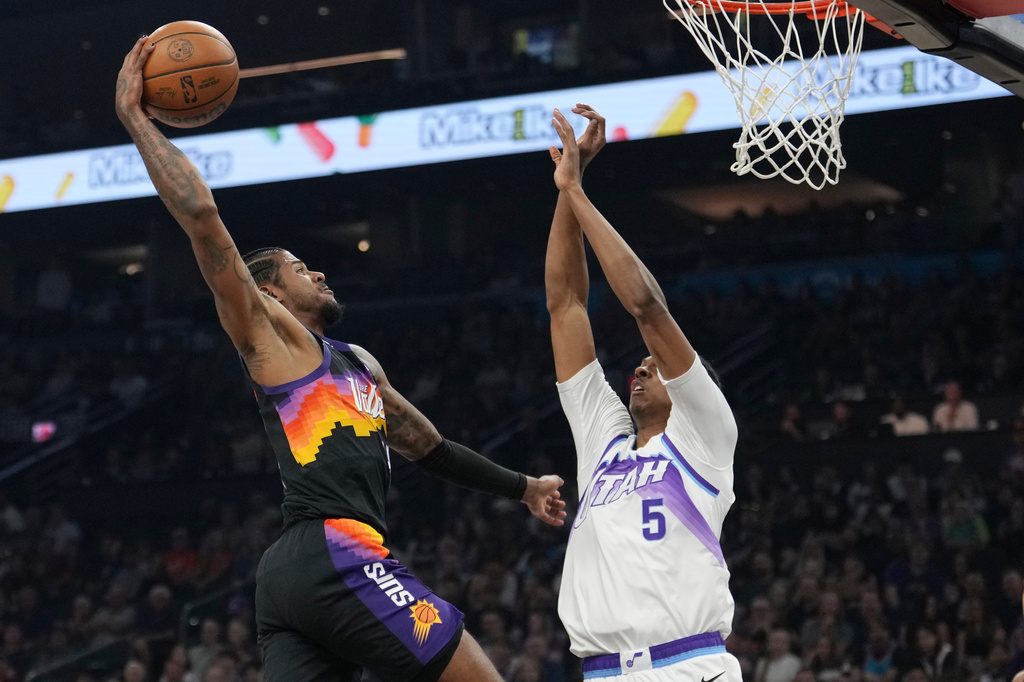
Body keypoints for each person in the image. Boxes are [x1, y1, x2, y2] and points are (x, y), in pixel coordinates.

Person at [116, 36, 566, 682]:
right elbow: (202, 216)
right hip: (334, 552)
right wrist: (136, 119)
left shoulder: (356, 362)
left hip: (298, 577)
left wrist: (521, 488)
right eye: (302, 268)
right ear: (268, 293)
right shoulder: (269, 337)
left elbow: (428, 447)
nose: (320, 270)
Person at [545, 105, 741, 680]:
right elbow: (566, 306)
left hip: (688, 665)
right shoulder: (603, 443)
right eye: (639, 365)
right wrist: (566, 186)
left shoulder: (706, 434)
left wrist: (580, 194)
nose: (639, 368)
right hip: (603, 671)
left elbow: (646, 307)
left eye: (653, 366)